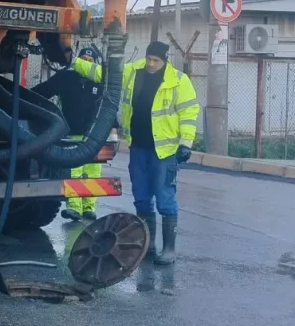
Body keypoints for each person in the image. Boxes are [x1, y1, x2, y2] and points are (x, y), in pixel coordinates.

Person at [73, 40, 199, 265]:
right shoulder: (133, 71)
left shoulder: (179, 81)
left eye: (156, 61)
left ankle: (168, 249)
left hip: (164, 151)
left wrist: (186, 143)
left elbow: (189, 112)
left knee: (164, 198)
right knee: (142, 198)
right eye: (149, 59)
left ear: (164, 60)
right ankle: (147, 246)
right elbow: (102, 73)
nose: (151, 64)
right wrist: (75, 63)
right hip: (139, 147)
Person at [32, 45, 106, 222]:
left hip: (93, 136)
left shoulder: (100, 82)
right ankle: (74, 208)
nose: (86, 65)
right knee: (73, 172)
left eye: (90, 62)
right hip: (70, 134)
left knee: (92, 173)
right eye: (83, 61)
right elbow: (41, 92)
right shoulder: (66, 78)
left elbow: (109, 106)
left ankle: (89, 208)